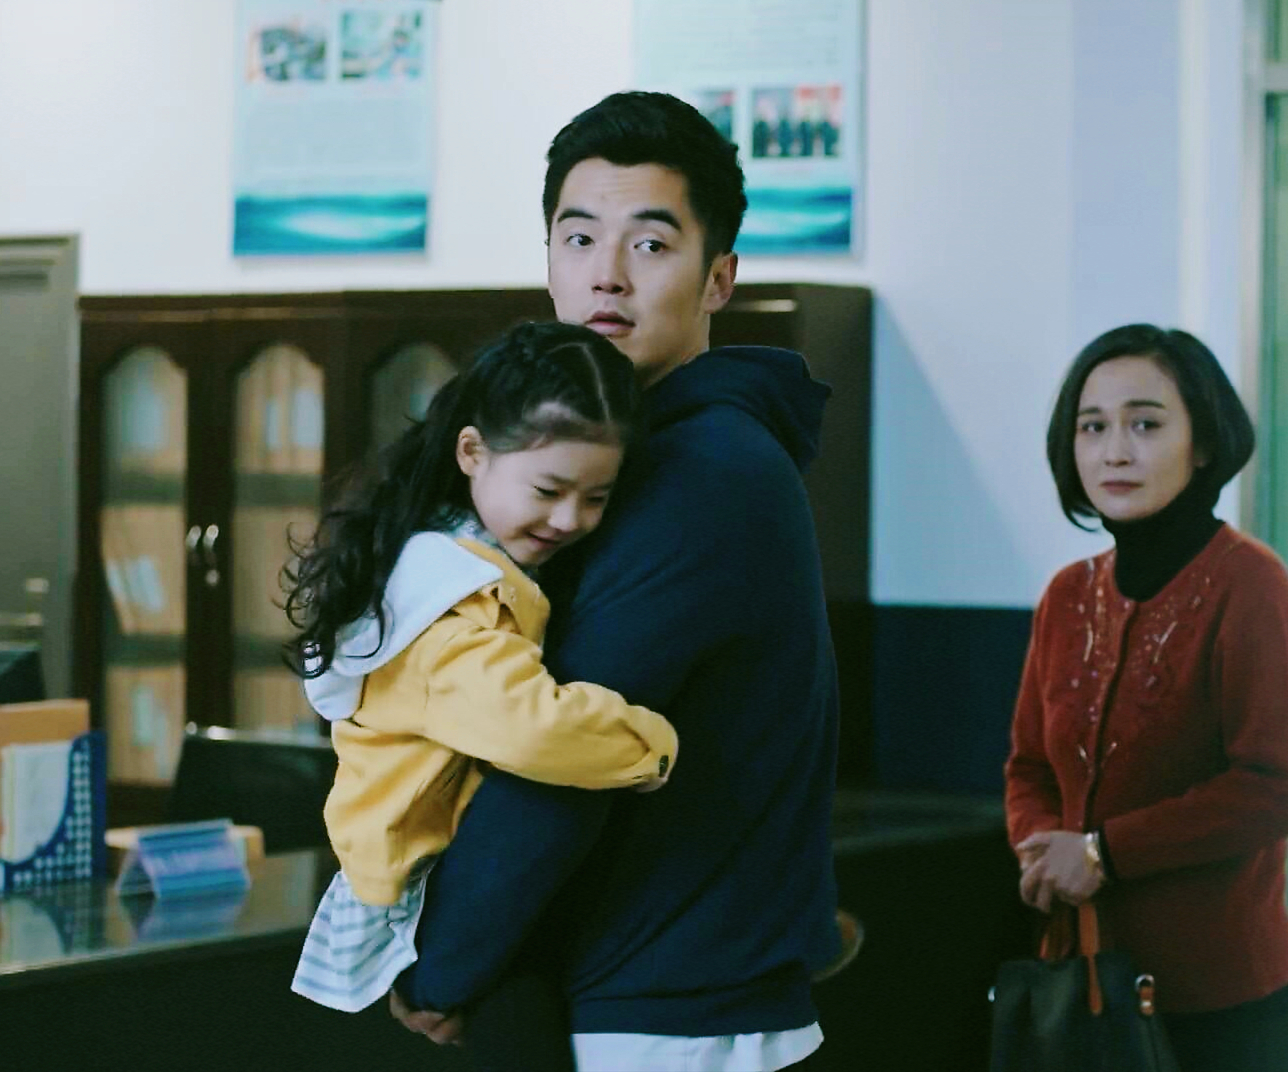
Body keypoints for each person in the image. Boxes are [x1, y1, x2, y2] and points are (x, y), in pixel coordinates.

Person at [390, 90, 844, 1072]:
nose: (606, 274)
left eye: (649, 243)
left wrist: (440, 966)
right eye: (578, 237)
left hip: (677, 1017)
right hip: (648, 997)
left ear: (718, 277)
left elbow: (559, 757)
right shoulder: (622, 458)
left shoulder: (702, 471)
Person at [282, 320, 678, 1032]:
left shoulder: (447, 553)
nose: (569, 518)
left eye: (596, 497)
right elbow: (533, 729)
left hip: (446, 875)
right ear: (472, 451)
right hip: (431, 895)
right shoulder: (454, 600)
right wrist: (654, 746)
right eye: (549, 489)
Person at [1004, 324, 1288, 1071]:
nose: (1115, 452)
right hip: (1078, 978)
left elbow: (1272, 784)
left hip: (1216, 995)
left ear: (1203, 443)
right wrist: (1044, 851)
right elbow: (1029, 768)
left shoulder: (1251, 583)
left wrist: (1103, 853)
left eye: (1146, 425)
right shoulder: (1067, 595)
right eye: (1093, 427)